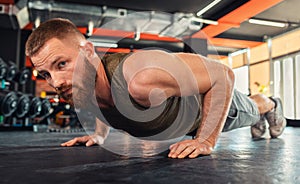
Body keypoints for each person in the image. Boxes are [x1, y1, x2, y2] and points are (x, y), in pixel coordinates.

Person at [25, 18, 286, 159]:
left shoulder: (141, 78)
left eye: (62, 64)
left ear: (89, 52)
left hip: (207, 109)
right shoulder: (81, 86)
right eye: (46, 73)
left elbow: (223, 75)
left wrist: (206, 140)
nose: (56, 82)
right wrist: (98, 134)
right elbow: (99, 101)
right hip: (183, 124)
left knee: (252, 107)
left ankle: (273, 104)